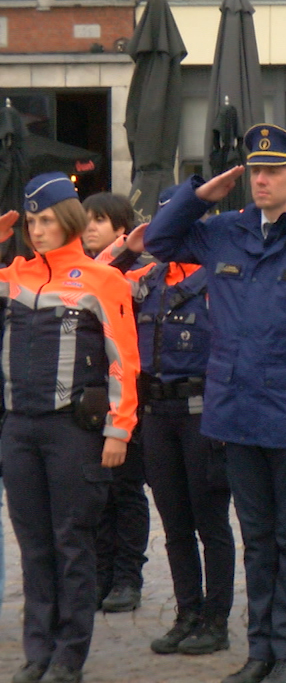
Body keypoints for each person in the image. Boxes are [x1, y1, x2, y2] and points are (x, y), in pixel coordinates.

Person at [145, 124, 286, 683]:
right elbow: (158, 242)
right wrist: (198, 195)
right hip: (237, 412)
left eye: (273, 172)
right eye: (255, 171)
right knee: (258, 539)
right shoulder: (225, 231)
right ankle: (260, 652)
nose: (261, 180)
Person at [0, 172, 141, 683]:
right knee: (33, 545)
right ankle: (37, 651)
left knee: (71, 543)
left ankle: (68, 655)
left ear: (68, 221)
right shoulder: (13, 274)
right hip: (19, 429)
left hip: (71, 432)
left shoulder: (103, 279)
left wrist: (118, 431)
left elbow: (124, 359)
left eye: (45, 221)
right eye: (31, 222)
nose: (36, 231)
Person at [98, 185, 238, 656]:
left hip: (203, 415)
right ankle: (187, 613)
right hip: (156, 415)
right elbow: (93, 279)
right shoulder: (146, 279)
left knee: (210, 523)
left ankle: (216, 619)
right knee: (175, 524)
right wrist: (126, 245)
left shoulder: (221, 277)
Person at [82, 191, 150, 614]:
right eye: (85, 218)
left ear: (122, 230)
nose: (89, 225)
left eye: (99, 220)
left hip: (127, 395)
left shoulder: (135, 272)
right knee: (97, 494)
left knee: (125, 490)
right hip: (88, 398)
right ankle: (101, 574)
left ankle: (128, 576)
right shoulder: (77, 271)